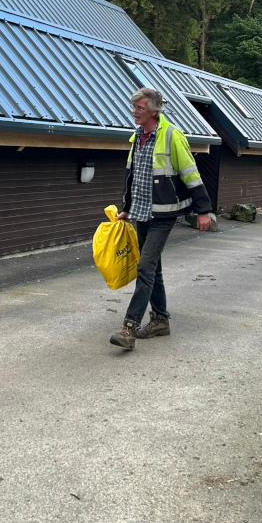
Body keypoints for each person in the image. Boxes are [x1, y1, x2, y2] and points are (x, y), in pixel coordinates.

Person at [110, 87, 213, 350]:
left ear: (154, 111)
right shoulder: (137, 136)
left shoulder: (171, 135)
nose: (134, 112)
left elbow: (191, 174)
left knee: (144, 268)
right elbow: (133, 178)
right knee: (152, 269)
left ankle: (129, 328)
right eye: (133, 107)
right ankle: (160, 320)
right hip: (141, 212)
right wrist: (126, 208)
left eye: (140, 108)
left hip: (163, 214)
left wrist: (203, 210)